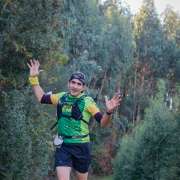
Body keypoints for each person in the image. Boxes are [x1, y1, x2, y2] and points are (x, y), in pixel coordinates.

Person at [27, 59, 121, 180]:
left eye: (79, 84)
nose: (75, 86)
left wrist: (108, 112)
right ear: (68, 83)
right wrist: (33, 78)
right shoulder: (61, 97)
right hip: (63, 145)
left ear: (83, 87)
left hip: (81, 146)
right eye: (73, 82)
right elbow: (41, 98)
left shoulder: (88, 102)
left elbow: (103, 123)